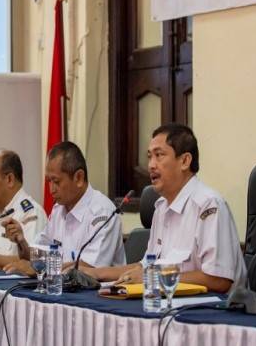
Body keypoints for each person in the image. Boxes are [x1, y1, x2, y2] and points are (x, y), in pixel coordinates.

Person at [80, 123, 246, 293]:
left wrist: (152, 278)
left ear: (185, 161)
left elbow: (219, 279)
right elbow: (144, 267)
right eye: (149, 157)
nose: (151, 165)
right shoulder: (161, 207)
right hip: (167, 304)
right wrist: (94, 272)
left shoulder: (208, 205)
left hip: (212, 311)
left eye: (159, 155)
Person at [2, 141, 125, 275]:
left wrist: (38, 268)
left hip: (96, 293)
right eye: (49, 181)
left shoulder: (103, 213)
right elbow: (36, 256)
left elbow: (88, 269)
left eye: (56, 181)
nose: (51, 190)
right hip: (62, 289)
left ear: (79, 178)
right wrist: (21, 241)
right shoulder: (58, 210)